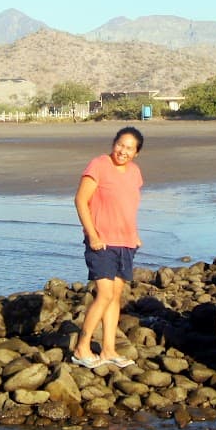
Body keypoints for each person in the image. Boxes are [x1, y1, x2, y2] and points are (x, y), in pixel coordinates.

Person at [71, 126, 145, 368]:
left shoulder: (135, 172)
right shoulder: (99, 165)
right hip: (101, 242)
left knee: (115, 297)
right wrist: (92, 235)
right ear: (114, 143)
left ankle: (108, 350)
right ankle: (81, 347)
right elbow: (81, 200)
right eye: (120, 145)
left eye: (129, 148)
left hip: (126, 243)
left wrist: (135, 235)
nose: (123, 151)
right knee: (103, 294)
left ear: (136, 153)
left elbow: (127, 206)